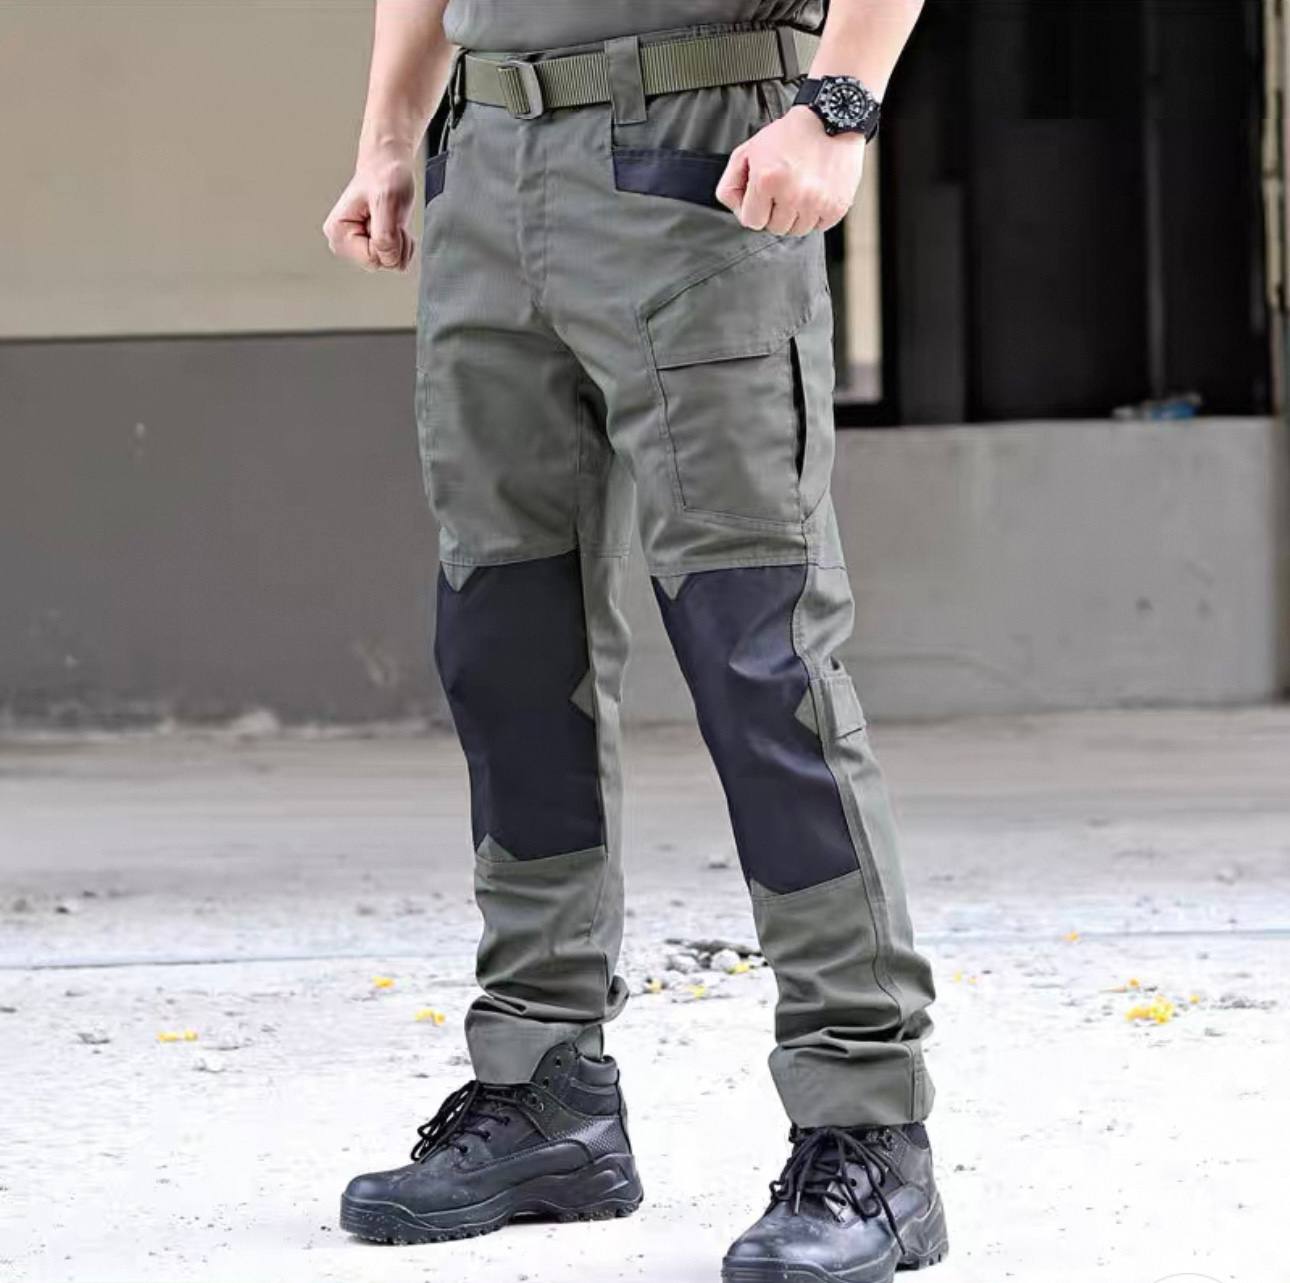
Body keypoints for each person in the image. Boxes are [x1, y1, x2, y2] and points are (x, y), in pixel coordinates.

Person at [323, 2, 943, 1278]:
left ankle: (869, 1126)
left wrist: (838, 108)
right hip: (488, 159)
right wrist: (389, 135)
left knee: (759, 654)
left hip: (699, 154)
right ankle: (544, 1089)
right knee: (503, 645)